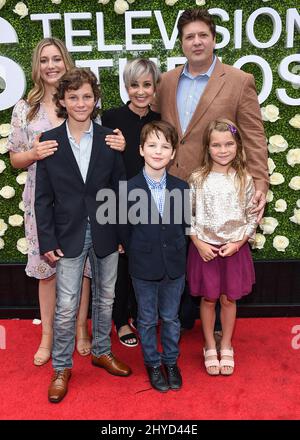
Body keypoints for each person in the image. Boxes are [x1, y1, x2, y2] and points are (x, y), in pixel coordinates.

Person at [8, 38, 125, 364]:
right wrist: (34, 153)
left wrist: (120, 144)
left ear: (65, 61)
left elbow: (103, 159)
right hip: (44, 199)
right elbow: (15, 157)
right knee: (49, 269)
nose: (50, 65)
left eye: (56, 58)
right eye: (44, 60)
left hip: (85, 207)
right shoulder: (25, 108)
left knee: (85, 269)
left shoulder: (84, 102)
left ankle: (82, 330)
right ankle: (48, 337)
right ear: (37, 66)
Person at [153, 8, 269, 332]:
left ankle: (218, 323)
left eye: (203, 35)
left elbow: (254, 136)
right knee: (178, 255)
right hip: (173, 186)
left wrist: (260, 182)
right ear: (181, 43)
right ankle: (177, 320)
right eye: (189, 36)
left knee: (219, 257)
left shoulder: (238, 80)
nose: (197, 41)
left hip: (221, 191)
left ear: (214, 39)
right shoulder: (166, 81)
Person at [35, 67, 131, 403]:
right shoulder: (48, 142)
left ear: (95, 99)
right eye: (73, 96)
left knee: (106, 297)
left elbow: (118, 190)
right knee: (66, 306)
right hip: (67, 234)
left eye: (87, 96)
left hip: (106, 232)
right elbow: (42, 198)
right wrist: (47, 241)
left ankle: (102, 351)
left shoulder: (108, 139)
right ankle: (61, 367)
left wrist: (122, 233)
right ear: (62, 100)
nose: (80, 102)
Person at [187, 119, 258, 376]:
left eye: (228, 144)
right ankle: (208, 344)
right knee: (208, 299)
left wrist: (238, 243)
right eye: (216, 145)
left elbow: (252, 217)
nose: (223, 150)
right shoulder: (197, 178)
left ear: (238, 146)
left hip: (234, 250)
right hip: (205, 250)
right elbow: (187, 216)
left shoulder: (244, 179)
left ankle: (226, 343)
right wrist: (198, 242)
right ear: (207, 148)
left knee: (229, 299)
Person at [124, 121, 189, 392]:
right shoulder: (127, 188)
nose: (158, 151)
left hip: (174, 266)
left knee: (172, 318)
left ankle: (171, 361)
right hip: (143, 267)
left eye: (165, 146)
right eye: (152, 145)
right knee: (147, 319)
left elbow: (183, 227)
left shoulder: (182, 187)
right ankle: (152, 363)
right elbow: (125, 231)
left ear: (173, 153)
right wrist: (137, 252)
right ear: (141, 150)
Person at [102, 59, 161, 347]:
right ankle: (121, 320)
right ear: (126, 86)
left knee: (145, 262)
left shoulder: (161, 121)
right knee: (121, 266)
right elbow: (103, 166)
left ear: (155, 87)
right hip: (120, 203)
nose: (140, 91)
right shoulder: (110, 118)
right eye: (135, 84)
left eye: (146, 85)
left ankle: (140, 314)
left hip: (152, 203)